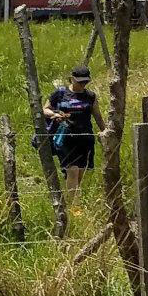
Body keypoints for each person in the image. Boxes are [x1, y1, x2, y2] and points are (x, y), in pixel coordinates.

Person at [44, 63, 102, 207]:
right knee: (73, 171)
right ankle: (75, 208)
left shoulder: (91, 96)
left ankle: (72, 200)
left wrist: (104, 131)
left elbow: (98, 117)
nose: (83, 85)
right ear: (72, 79)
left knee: (80, 173)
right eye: (80, 82)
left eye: (85, 82)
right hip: (66, 138)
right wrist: (55, 114)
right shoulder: (60, 93)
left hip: (85, 138)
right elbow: (45, 109)